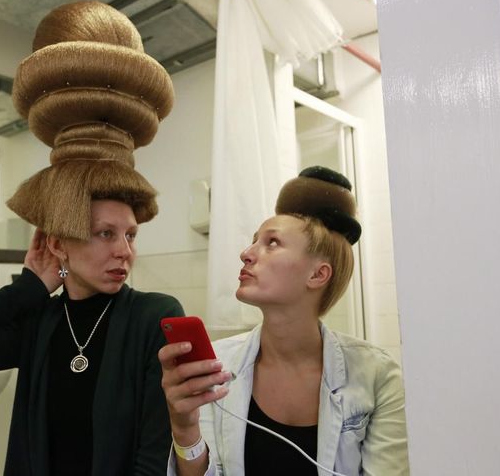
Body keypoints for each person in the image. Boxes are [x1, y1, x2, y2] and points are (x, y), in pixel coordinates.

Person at [0, 0, 183, 476]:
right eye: (104, 234)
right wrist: (26, 289)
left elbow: (155, 455)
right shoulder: (38, 322)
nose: (124, 250)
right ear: (57, 244)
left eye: (130, 235)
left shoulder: (156, 315)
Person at [159, 166, 409, 476]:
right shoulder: (217, 366)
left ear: (317, 274)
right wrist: (185, 430)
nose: (246, 253)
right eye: (253, 241)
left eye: (272, 243)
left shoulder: (377, 376)